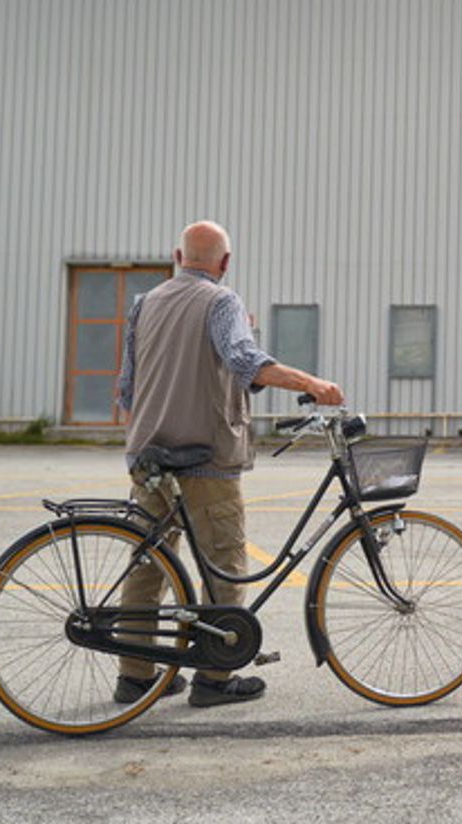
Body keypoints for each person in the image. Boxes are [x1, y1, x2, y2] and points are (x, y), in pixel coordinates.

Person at [113, 220, 344, 708]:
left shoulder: (144, 304)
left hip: (149, 457)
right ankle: (215, 679)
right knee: (224, 565)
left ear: (177, 255)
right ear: (225, 263)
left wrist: (142, 442)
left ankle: (135, 676)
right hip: (204, 457)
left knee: (148, 564)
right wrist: (312, 384)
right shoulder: (222, 301)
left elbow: (126, 387)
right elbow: (245, 361)